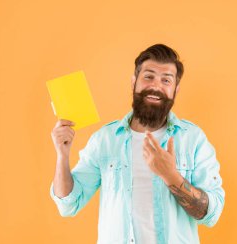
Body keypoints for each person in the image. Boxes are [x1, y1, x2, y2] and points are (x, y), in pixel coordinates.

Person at [50, 44, 225, 244]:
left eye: (166, 80)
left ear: (175, 90)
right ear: (134, 82)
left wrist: (171, 176)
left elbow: (212, 213)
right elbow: (69, 204)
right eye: (148, 76)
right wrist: (62, 155)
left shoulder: (193, 139)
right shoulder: (105, 140)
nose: (156, 86)